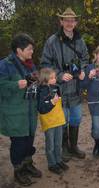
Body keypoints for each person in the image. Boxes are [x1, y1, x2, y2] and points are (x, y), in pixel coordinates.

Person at [41, 7, 89, 161]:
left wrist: (81, 70)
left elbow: (85, 58)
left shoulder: (80, 40)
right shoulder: (52, 41)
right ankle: (64, 148)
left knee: (75, 118)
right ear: (61, 22)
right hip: (59, 88)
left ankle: (73, 147)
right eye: (66, 20)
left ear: (75, 22)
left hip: (75, 88)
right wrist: (60, 75)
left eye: (72, 20)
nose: (69, 23)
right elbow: (45, 64)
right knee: (62, 119)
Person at [0, 33, 42, 186]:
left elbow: (34, 83)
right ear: (19, 50)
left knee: (29, 141)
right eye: (29, 49)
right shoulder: (5, 65)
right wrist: (16, 85)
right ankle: (18, 170)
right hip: (15, 113)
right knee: (18, 144)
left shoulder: (30, 64)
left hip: (30, 111)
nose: (32, 52)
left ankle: (27, 164)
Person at [37, 68, 69, 175]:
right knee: (50, 145)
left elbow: (60, 103)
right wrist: (52, 102)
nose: (54, 79)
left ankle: (58, 160)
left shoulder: (56, 87)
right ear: (45, 79)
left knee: (58, 143)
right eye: (51, 78)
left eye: (55, 77)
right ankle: (52, 164)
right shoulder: (41, 90)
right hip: (49, 122)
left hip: (59, 120)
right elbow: (41, 108)